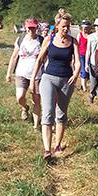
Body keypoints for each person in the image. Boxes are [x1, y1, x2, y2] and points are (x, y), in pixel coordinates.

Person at [31, 9, 80, 160]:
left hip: (66, 80)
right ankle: (47, 149)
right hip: (48, 79)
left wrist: (76, 73)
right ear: (57, 26)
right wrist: (33, 79)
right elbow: (39, 60)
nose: (66, 29)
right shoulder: (49, 39)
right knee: (48, 112)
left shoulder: (73, 42)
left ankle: (57, 145)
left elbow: (78, 61)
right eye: (64, 26)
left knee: (61, 113)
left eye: (68, 26)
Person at [6, 18, 43, 128]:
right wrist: (8, 73)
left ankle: (36, 126)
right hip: (21, 73)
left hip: (37, 75)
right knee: (20, 97)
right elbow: (14, 57)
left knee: (36, 100)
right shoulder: (20, 39)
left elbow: (46, 59)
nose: (31, 30)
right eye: (29, 28)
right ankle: (25, 107)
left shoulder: (41, 40)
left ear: (37, 28)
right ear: (25, 27)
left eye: (33, 28)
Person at [85, 17, 98, 104]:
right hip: (93, 63)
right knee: (93, 82)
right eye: (97, 26)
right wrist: (86, 63)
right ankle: (92, 94)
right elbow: (88, 51)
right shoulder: (90, 37)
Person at [78, 20, 92, 92]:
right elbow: (77, 45)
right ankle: (84, 87)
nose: (85, 29)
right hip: (81, 55)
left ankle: (84, 84)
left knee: (88, 71)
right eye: (84, 27)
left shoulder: (91, 35)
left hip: (89, 55)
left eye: (86, 27)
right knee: (83, 70)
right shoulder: (80, 35)